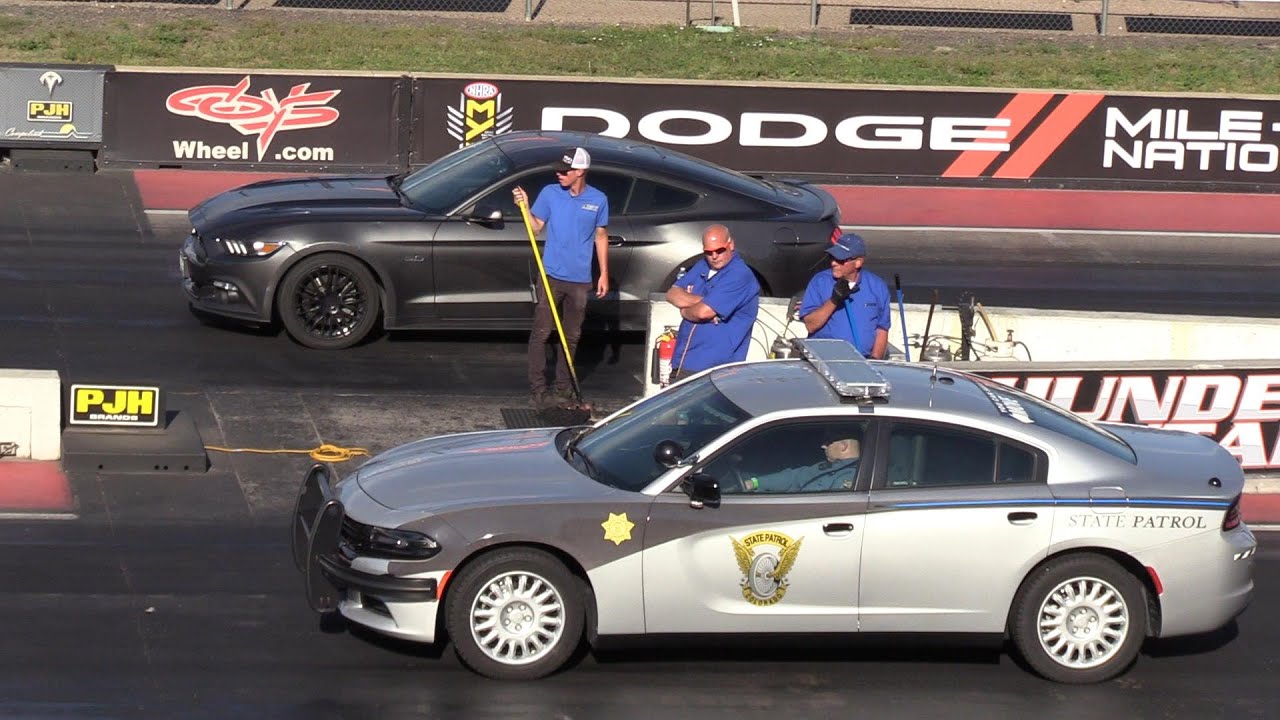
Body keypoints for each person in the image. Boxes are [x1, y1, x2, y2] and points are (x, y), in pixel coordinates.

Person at [513, 147, 610, 409]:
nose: (559, 173)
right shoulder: (550, 193)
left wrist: (603, 274)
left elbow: (601, 236)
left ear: (580, 172)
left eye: (565, 170)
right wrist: (524, 206)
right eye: (558, 169)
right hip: (551, 276)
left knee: (572, 336)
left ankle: (564, 388)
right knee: (541, 332)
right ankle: (538, 390)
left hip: (580, 279)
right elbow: (536, 226)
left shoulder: (598, 199)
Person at [664, 224, 761, 382]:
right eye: (708, 252)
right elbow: (672, 293)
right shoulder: (703, 265)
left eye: (719, 250)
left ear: (731, 245)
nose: (714, 256)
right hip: (684, 359)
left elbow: (703, 313)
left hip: (715, 368)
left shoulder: (739, 275)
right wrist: (705, 302)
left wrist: (685, 311)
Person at [799, 232, 890, 359]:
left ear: (858, 262)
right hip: (824, 359)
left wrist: (875, 361)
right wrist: (834, 300)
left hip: (862, 361)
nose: (833, 263)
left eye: (840, 259)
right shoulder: (820, 282)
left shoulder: (877, 287)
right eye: (832, 257)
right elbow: (811, 325)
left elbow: (882, 328)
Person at [737, 436, 862, 494]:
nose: (823, 446)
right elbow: (795, 477)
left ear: (844, 446)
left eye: (828, 442)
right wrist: (755, 482)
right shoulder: (831, 465)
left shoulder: (851, 478)